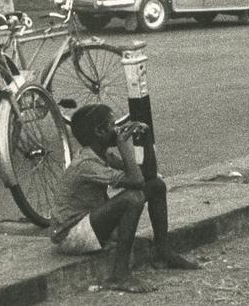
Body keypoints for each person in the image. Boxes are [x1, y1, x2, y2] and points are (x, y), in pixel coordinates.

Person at [50, 104, 199, 293]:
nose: (118, 129)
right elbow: (136, 181)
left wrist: (146, 140)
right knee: (132, 198)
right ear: (100, 131)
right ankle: (119, 275)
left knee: (157, 186)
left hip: (89, 225)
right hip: (70, 235)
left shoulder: (102, 155)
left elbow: (148, 175)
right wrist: (123, 144)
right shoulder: (86, 163)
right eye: (113, 125)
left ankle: (163, 251)